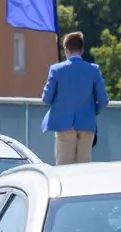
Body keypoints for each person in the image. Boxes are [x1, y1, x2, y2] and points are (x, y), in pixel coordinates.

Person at [41, 31, 109, 165]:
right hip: (87, 124)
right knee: (83, 167)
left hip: (63, 124)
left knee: (64, 167)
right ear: (82, 50)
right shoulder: (93, 70)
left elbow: (46, 98)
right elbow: (103, 100)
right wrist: (91, 111)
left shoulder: (56, 70)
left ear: (66, 50)